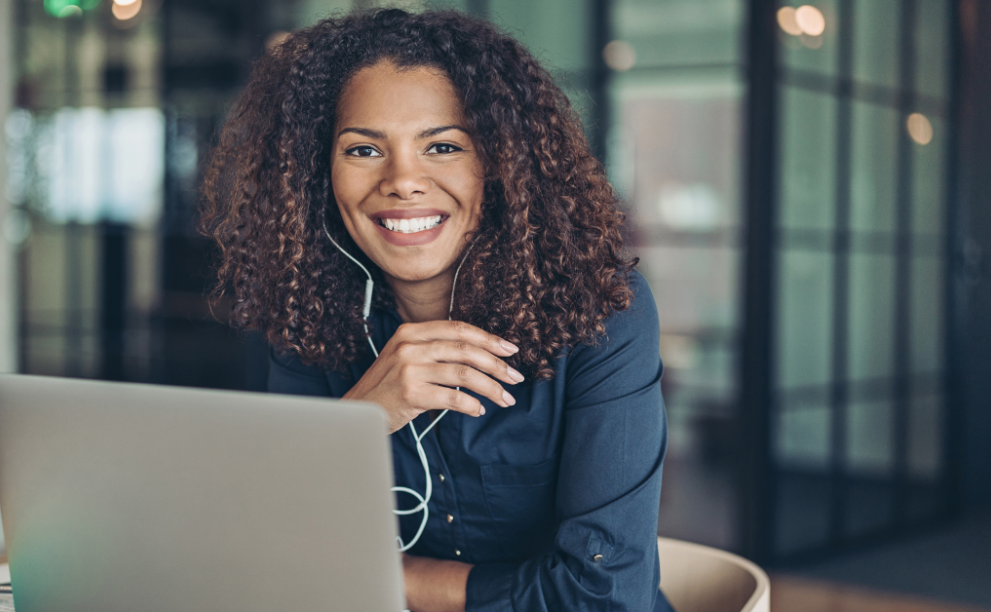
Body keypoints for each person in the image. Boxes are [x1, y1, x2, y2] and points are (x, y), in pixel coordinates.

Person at [200, 9, 672, 612]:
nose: (403, 180)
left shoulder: (602, 314)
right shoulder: (310, 316)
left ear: (500, 165)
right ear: (320, 175)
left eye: (443, 146)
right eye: (364, 149)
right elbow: (268, 550)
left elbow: (604, 598)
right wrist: (361, 421)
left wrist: (393, 578)